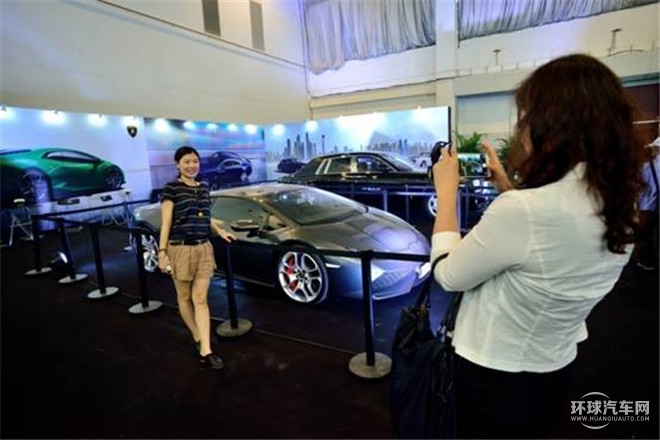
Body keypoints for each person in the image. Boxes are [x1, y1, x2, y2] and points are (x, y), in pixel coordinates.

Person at [429, 54, 646, 438]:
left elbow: (448, 274)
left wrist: (445, 193)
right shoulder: (618, 202)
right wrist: (507, 188)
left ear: (553, 123)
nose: (521, 126)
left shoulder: (525, 211)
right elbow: (547, 243)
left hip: (494, 375)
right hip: (552, 367)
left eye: (527, 115)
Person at [158, 145, 236, 370]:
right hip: (180, 248)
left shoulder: (204, 187)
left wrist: (219, 231)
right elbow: (166, 223)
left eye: (195, 161)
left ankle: (205, 350)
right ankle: (197, 335)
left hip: (204, 248)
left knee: (200, 299)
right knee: (184, 297)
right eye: (186, 162)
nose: (192, 165)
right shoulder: (171, 188)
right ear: (177, 164)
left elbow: (205, 216)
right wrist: (162, 252)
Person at [635, 138, 659, 271]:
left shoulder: (645, 165)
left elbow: (639, 185)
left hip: (647, 206)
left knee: (646, 235)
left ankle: (648, 262)